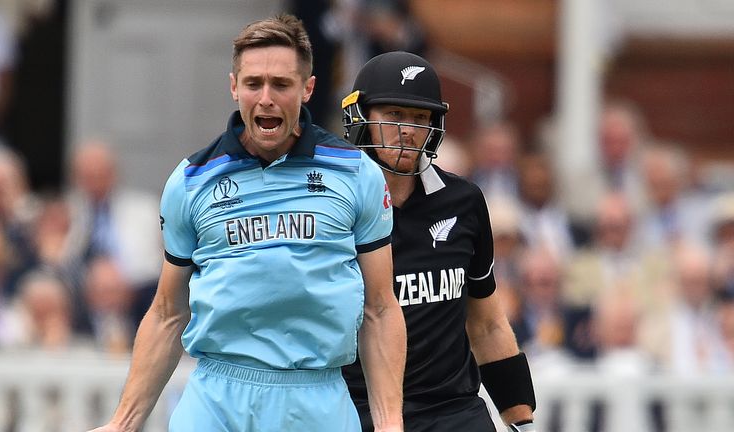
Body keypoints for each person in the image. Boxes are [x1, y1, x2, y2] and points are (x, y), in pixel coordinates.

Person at [89, 14, 405, 432]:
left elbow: (381, 309)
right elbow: (167, 314)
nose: (266, 98)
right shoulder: (190, 181)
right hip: (216, 397)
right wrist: (123, 423)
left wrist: (389, 424)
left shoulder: (356, 173)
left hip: (317, 399)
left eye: (282, 84)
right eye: (254, 83)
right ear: (234, 86)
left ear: (308, 89)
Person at [340, 51, 536, 432]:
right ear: (360, 116)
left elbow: (487, 323)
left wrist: (521, 421)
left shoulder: (464, 201)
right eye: (393, 115)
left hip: (453, 411)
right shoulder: (331, 208)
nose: (407, 130)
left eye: (419, 117)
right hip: (356, 410)